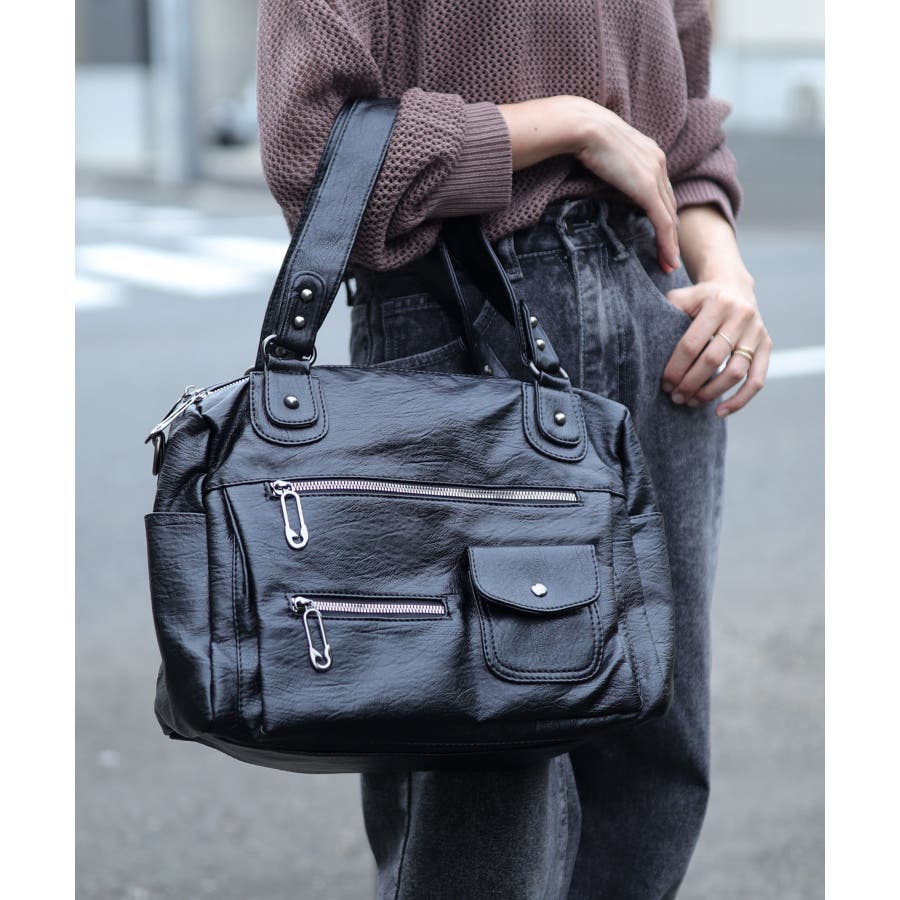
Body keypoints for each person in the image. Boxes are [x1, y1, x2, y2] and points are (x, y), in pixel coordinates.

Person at [256, 2, 771, 897]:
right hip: (460, 315)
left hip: (654, 314)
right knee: (483, 797)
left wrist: (726, 273)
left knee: (653, 761)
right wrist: (571, 123)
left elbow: (684, 133)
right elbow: (312, 148)